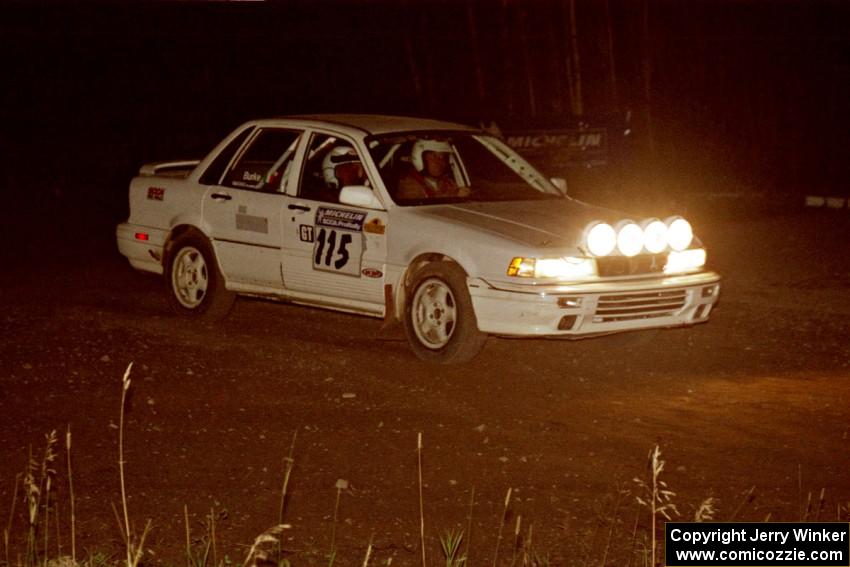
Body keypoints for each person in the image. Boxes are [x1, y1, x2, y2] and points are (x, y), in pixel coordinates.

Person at [396, 139, 470, 200]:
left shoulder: (447, 182)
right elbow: (422, 211)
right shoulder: (408, 184)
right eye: (433, 156)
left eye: (443, 157)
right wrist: (455, 196)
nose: (439, 162)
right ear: (419, 158)